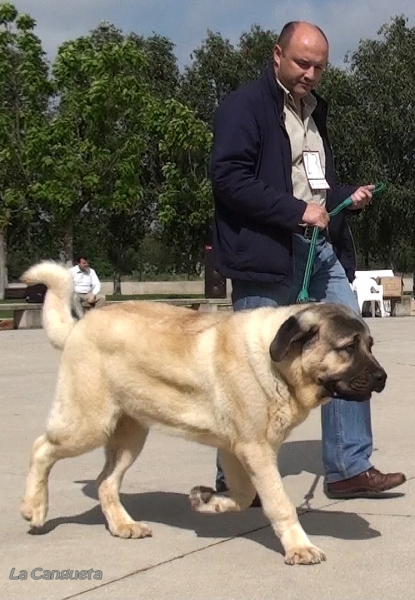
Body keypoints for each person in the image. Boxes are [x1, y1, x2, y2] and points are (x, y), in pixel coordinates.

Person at [211, 21, 406, 499]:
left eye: (319, 65)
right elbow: (229, 178)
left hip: (320, 253)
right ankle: (234, 481)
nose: (311, 73)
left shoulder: (316, 112)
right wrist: (297, 211)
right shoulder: (245, 106)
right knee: (254, 368)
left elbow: (315, 187)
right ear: (276, 54)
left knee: (352, 346)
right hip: (268, 254)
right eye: (302, 62)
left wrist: (347, 196)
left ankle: (348, 467)